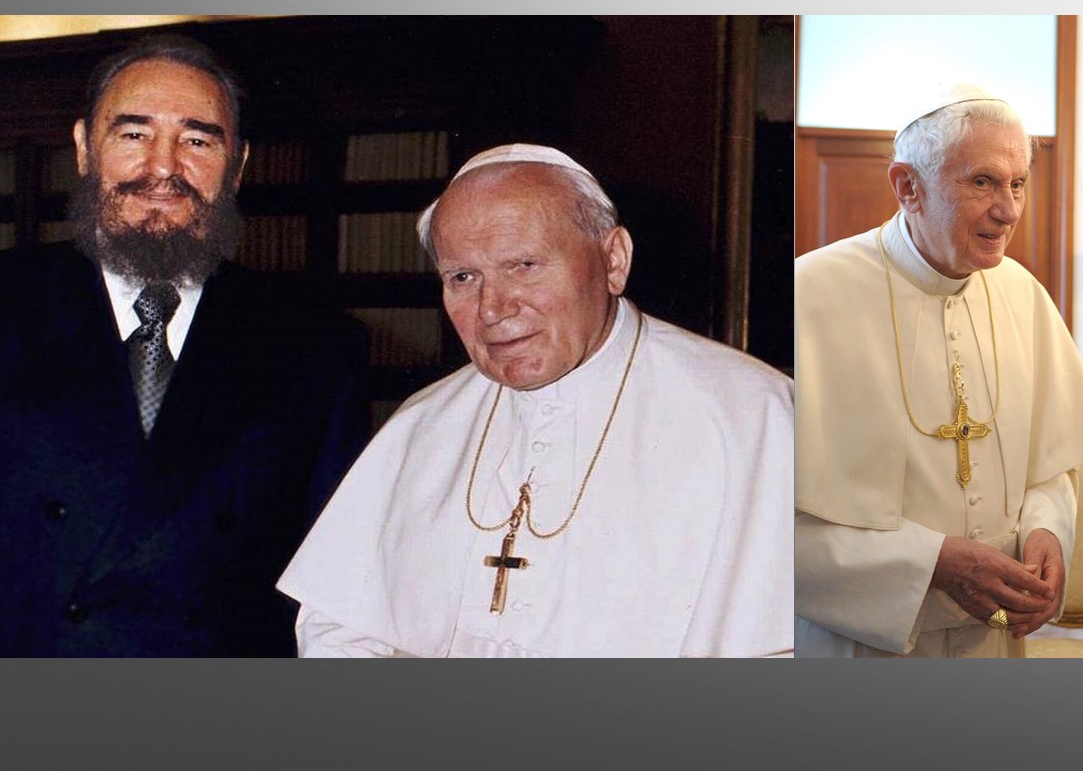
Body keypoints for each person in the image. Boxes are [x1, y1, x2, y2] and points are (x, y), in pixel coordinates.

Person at [277, 144, 794, 657]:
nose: (492, 309)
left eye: (524, 265)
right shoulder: (422, 423)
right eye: (463, 277)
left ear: (614, 260)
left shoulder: (751, 416)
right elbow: (339, 627)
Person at [0, 36, 369, 657]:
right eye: (133, 134)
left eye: (198, 139)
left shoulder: (317, 346)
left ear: (239, 164)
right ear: (85, 150)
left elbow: (336, 583)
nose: (164, 167)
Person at [794, 87, 1083, 658]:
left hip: (992, 640)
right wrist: (930, 564)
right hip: (866, 645)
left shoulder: (1022, 294)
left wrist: (1047, 531)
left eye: (1018, 183)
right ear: (907, 187)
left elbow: (1050, 466)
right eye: (983, 182)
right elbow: (769, 521)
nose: (1009, 210)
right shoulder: (807, 296)